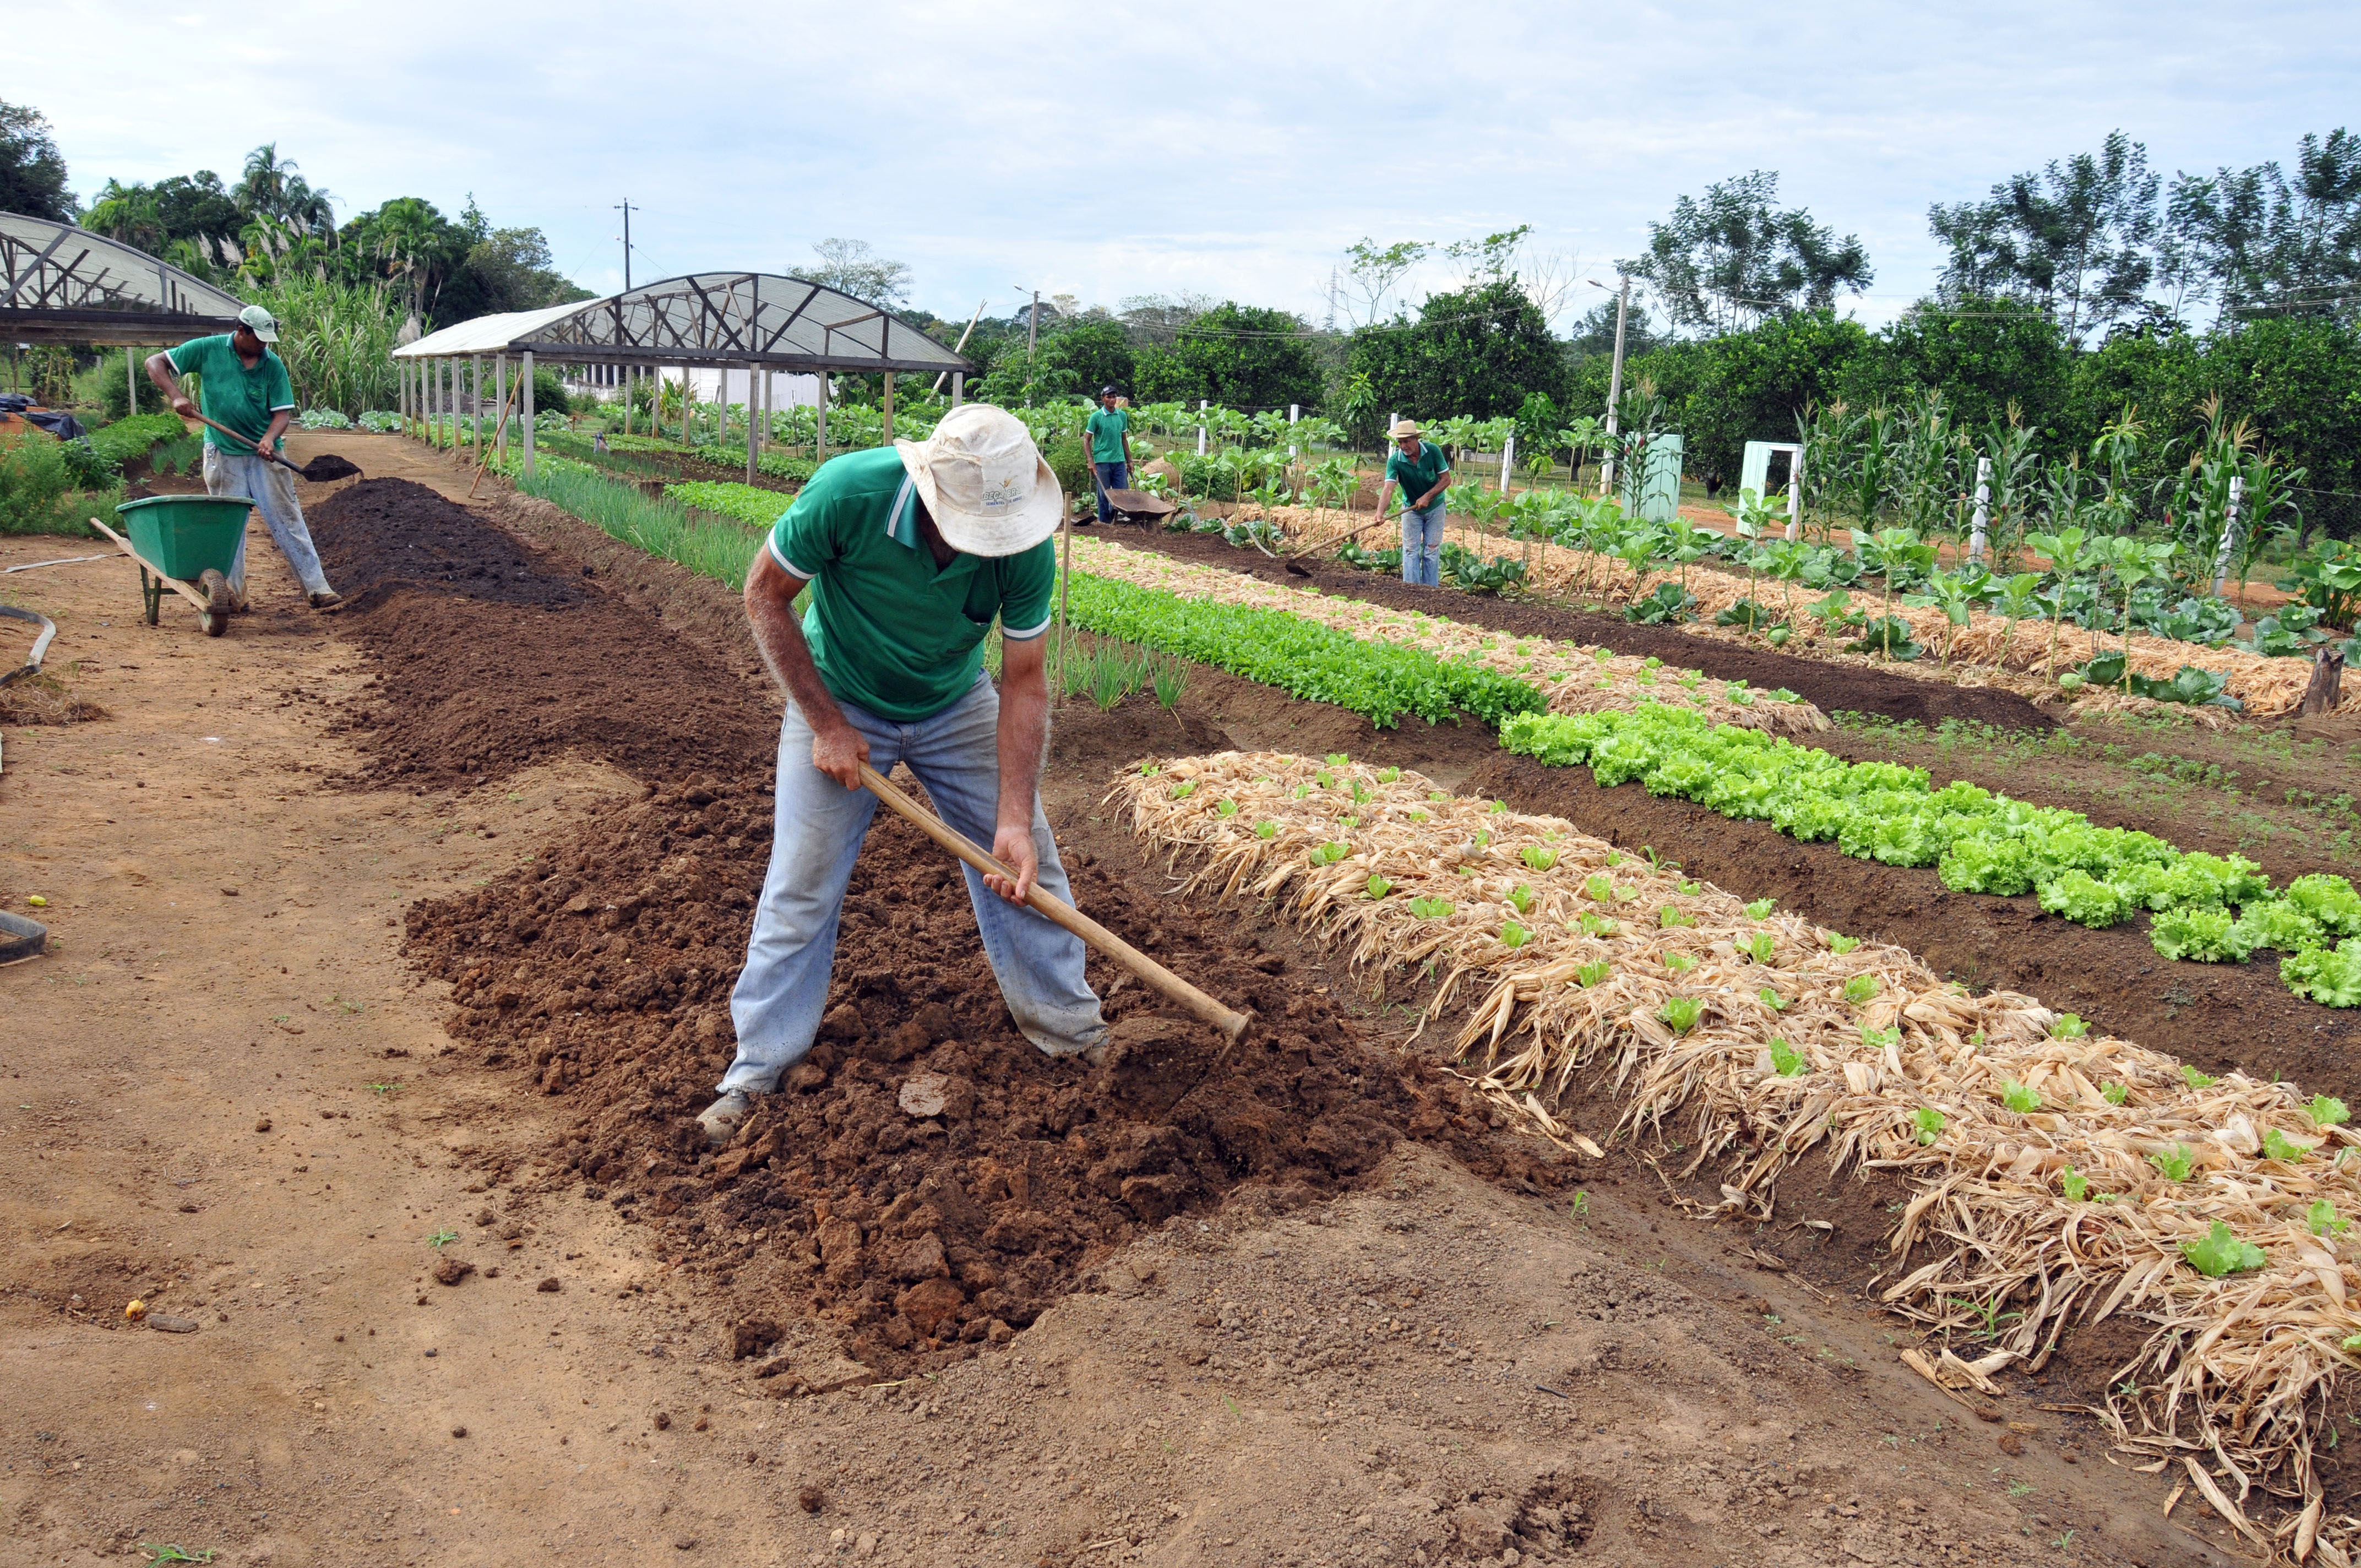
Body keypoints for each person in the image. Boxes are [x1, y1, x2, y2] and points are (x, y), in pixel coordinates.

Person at [698, 404, 1108, 1146]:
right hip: (840, 693)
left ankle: (1076, 1038)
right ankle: (756, 1070)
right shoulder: (847, 494)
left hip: (955, 702)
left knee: (1025, 865)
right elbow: (763, 596)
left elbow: (1023, 682)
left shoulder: (1024, 544)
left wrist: (1012, 816)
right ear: (929, 494)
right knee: (802, 880)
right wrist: (826, 724)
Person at [145, 305, 339, 609]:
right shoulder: (208, 349)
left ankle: (318, 588)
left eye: (267, 341)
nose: (263, 345)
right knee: (229, 528)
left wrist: (268, 439)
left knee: (288, 518)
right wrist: (177, 395)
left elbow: (282, 414)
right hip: (223, 453)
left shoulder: (272, 365)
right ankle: (233, 596)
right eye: (258, 339)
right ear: (241, 331)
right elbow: (154, 362)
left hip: (265, 457)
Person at [1374, 418, 1452, 587]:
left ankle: (1431, 591)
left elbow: (1446, 480)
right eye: (1400, 442)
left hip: (1436, 507)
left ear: (1416, 439)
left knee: (1431, 551)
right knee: (1410, 551)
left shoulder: (1432, 451)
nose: (1403, 446)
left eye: (1407, 441)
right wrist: (1380, 513)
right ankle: (1412, 591)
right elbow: (1388, 488)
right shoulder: (1395, 461)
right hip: (1411, 509)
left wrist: (1428, 497)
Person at [1082, 384, 1133, 526]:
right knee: (1104, 493)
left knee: (1122, 491)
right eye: (1108, 397)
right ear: (1103, 399)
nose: (1112, 400)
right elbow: (1086, 439)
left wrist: (1130, 461)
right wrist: (1090, 461)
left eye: (1114, 397)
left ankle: (1118, 518)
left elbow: (1124, 439)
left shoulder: (1122, 416)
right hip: (1102, 460)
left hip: (1119, 460)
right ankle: (1104, 523)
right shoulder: (1096, 417)